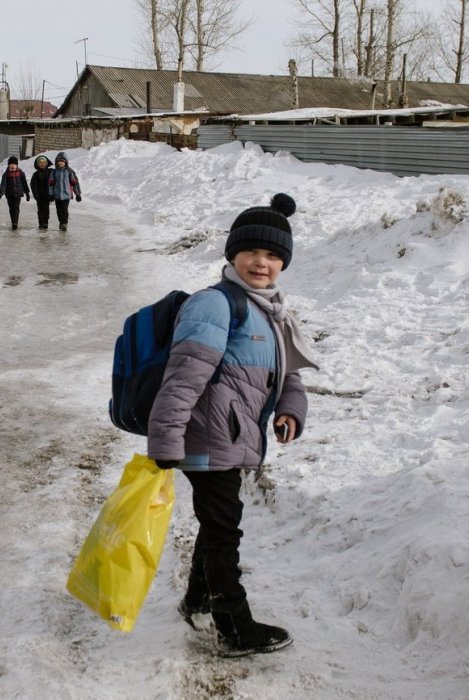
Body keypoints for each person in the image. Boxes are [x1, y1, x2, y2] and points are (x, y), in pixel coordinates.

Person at [147, 193, 318, 657]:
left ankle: (197, 599)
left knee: (217, 524)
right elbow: (182, 380)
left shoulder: (270, 310)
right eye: (251, 253)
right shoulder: (215, 305)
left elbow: (288, 374)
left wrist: (290, 410)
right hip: (206, 439)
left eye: (272, 255)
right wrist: (164, 440)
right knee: (225, 532)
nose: (261, 263)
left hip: (234, 437)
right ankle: (234, 627)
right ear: (232, 255)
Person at [46, 152, 81, 231]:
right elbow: (51, 184)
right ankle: (61, 222)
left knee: (65, 210)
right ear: (56, 163)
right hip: (57, 195)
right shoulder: (54, 172)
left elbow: (74, 184)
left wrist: (77, 194)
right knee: (59, 210)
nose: (60, 163)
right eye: (58, 161)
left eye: (62, 161)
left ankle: (64, 223)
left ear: (65, 162)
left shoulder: (69, 172)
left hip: (66, 195)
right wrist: (51, 194)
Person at [0, 155, 30, 230]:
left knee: (16, 207)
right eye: (11, 164)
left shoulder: (21, 173)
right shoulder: (6, 174)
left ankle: (15, 222)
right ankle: (13, 222)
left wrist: (27, 193)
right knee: (12, 208)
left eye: (14, 164)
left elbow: (24, 183)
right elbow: (3, 184)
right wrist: (1, 193)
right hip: (9, 194)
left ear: (17, 165)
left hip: (18, 193)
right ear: (8, 165)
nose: (12, 166)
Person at [29, 155, 54, 230]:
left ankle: (45, 222)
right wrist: (36, 195)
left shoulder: (51, 172)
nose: (42, 164)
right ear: (37, 164)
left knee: (46, 210)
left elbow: (54, 182)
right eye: (40, 162)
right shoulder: (36, 174)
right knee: (40, 210)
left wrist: (52, 194)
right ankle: (41, 223)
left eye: (43, 162)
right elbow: (33, 185)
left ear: (46, 163)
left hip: (47, 195)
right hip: (39, 196)